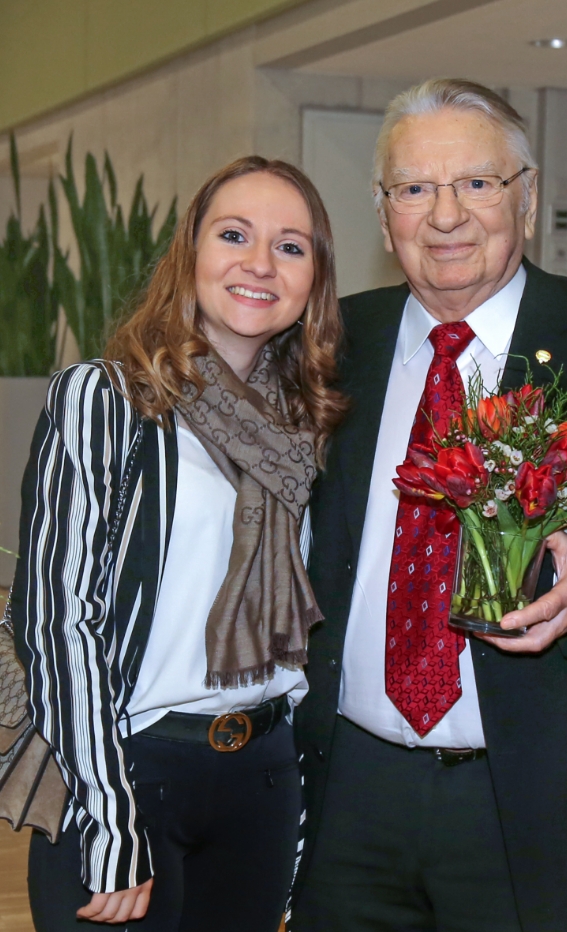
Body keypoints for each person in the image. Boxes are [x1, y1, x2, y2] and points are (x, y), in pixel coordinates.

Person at [289, 78, 567, 932]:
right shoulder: (325, 348)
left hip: (536, 800)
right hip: (346, 794)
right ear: (383, 210)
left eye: (476, 183)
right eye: (414, 189)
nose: (445, 217)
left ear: (528, 198)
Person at [8, 156, 347, 930]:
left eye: (291, 247)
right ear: (190, 253)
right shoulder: (107, 398)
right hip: (129, 770)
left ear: (314, 282)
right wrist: (109, 813)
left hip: (261, 779)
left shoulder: (308, 425)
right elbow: (60, 619)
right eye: (234, 235)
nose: (259, 264)